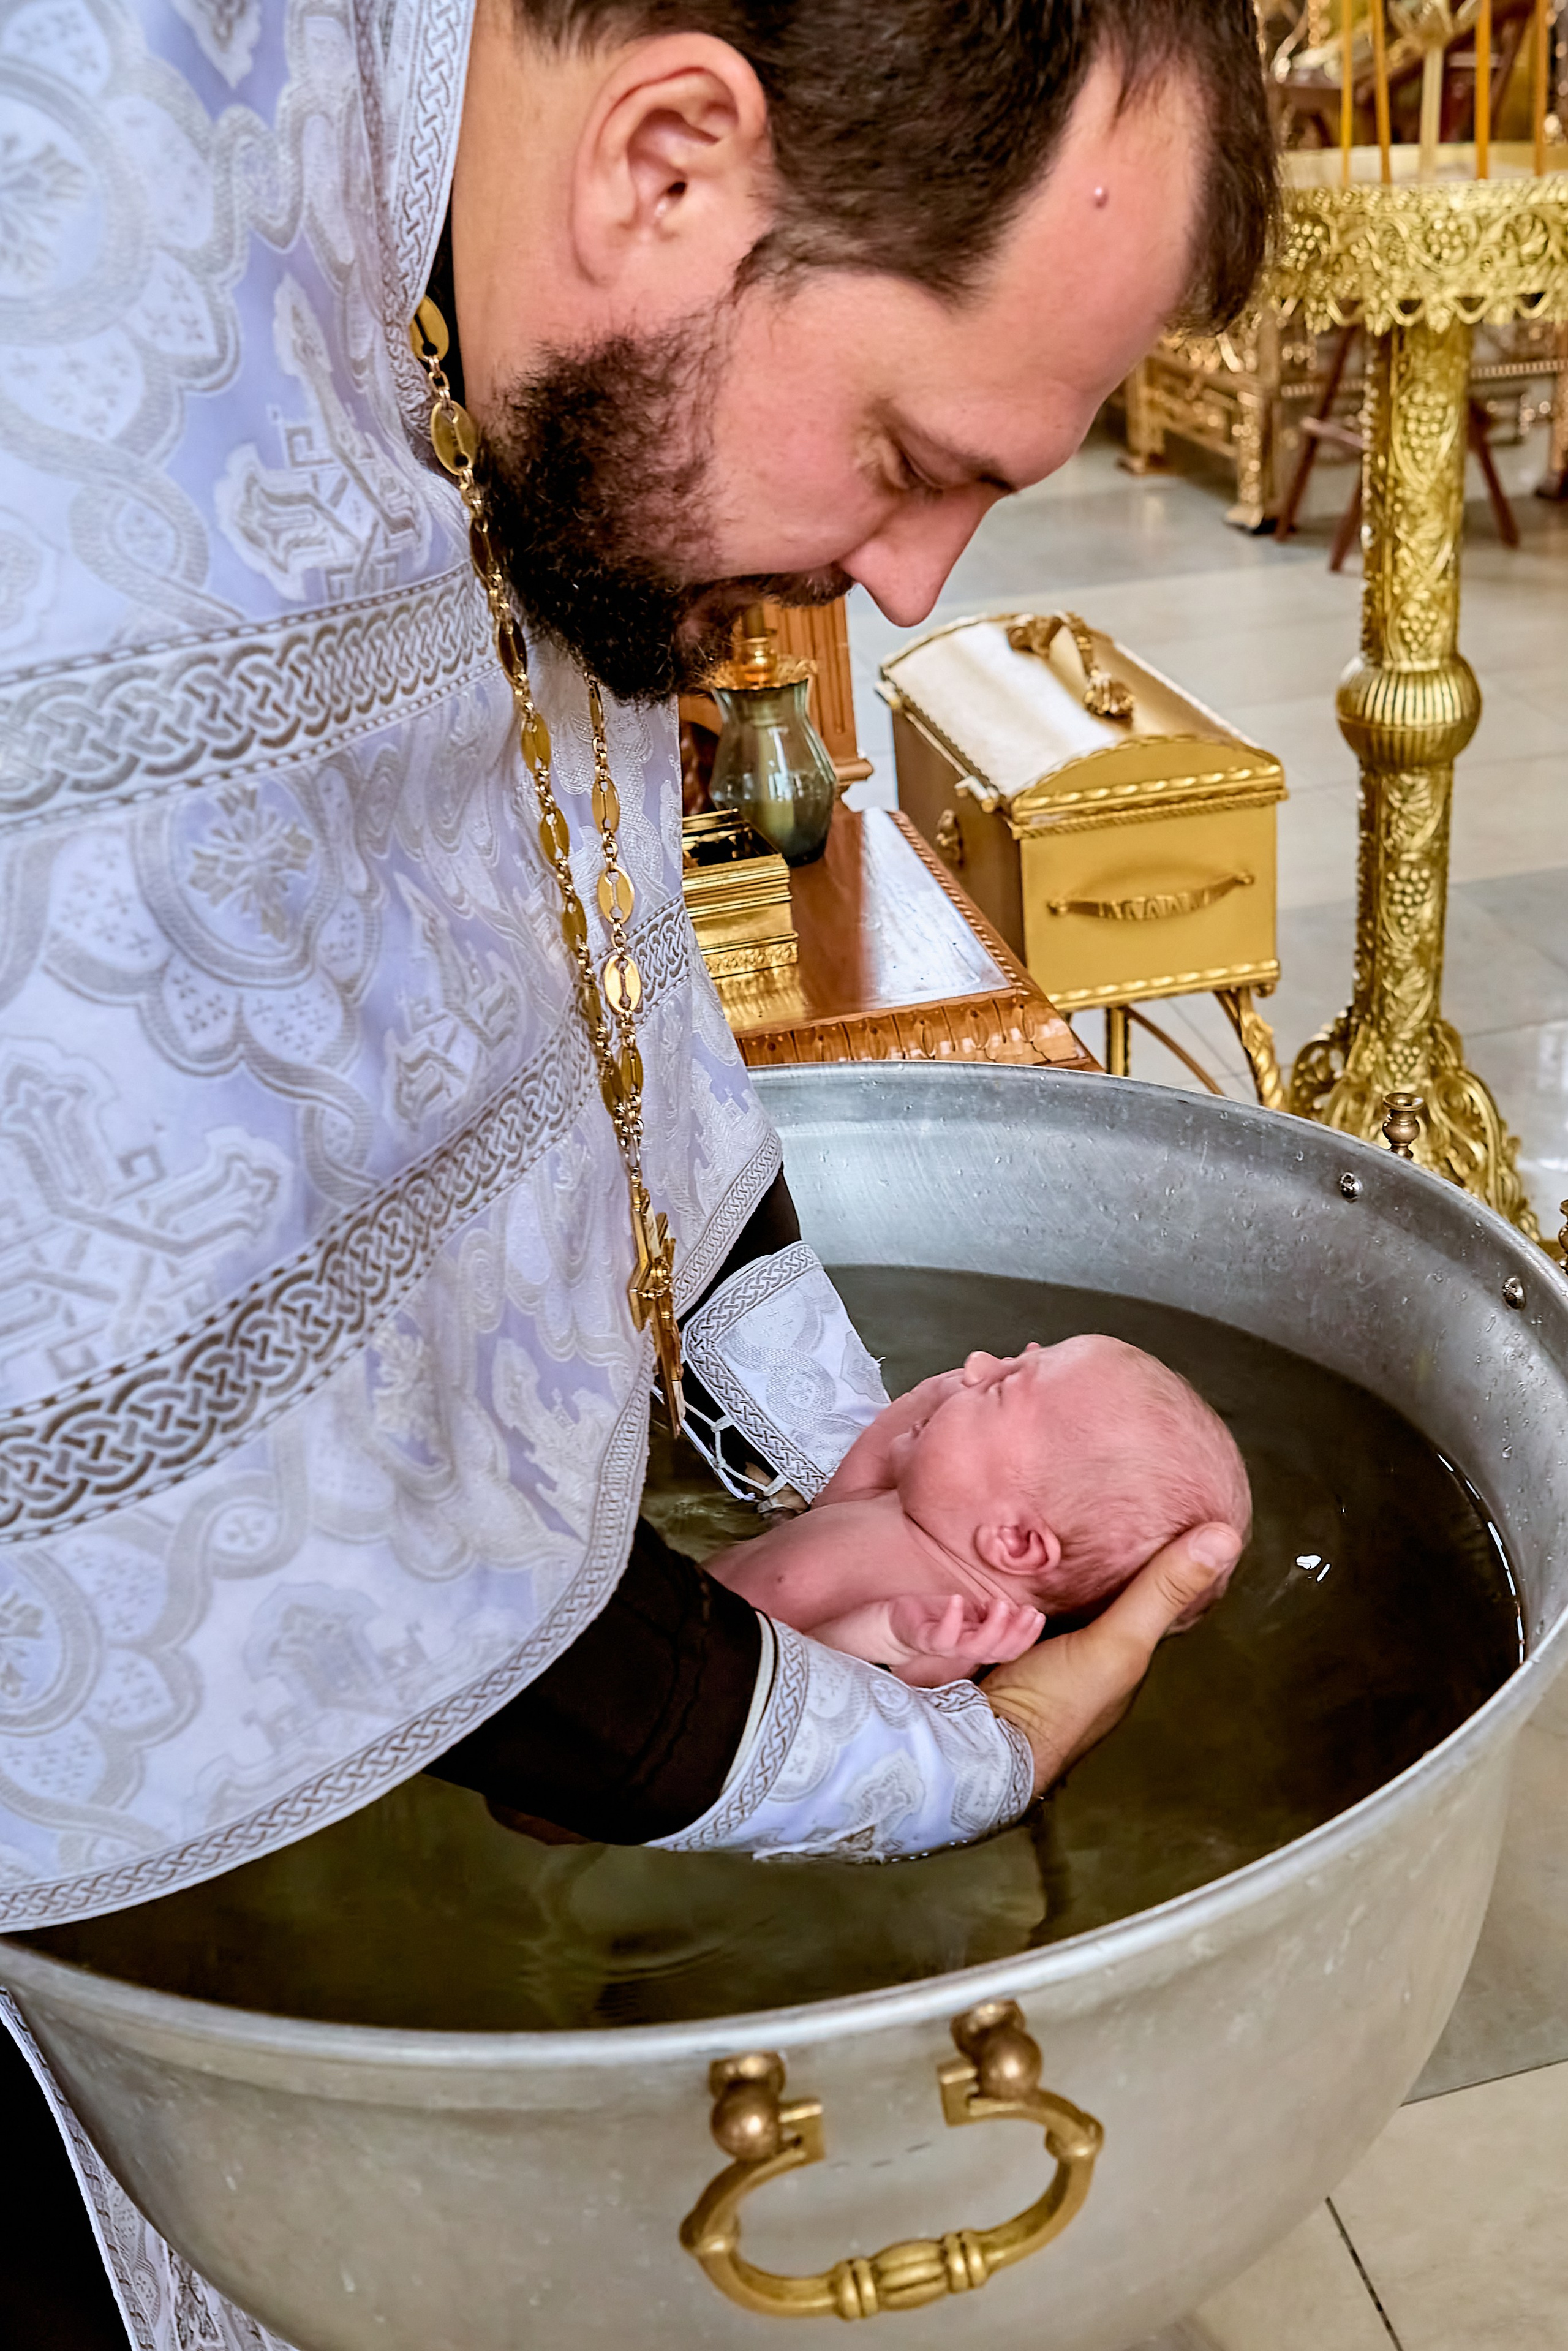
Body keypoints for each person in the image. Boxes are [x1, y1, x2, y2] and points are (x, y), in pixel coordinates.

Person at [0, 1, 1271, 2340]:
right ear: (669, 160)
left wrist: (832, 1428)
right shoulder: (80, 360)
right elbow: (247, 1481)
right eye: (906, 451)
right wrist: (936, 1755)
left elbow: (549, 987)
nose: (908, 587)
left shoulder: (453, 219)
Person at [710, 1338, 1252, 1687]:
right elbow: (843, 1494)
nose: (976, 1365)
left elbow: (799, 1697)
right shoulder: (899, 1510)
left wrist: (884, 1635)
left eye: (999, 1387)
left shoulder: (946, 1635)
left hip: (695, 1679)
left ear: (1015, 1541)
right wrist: (928, 1398)